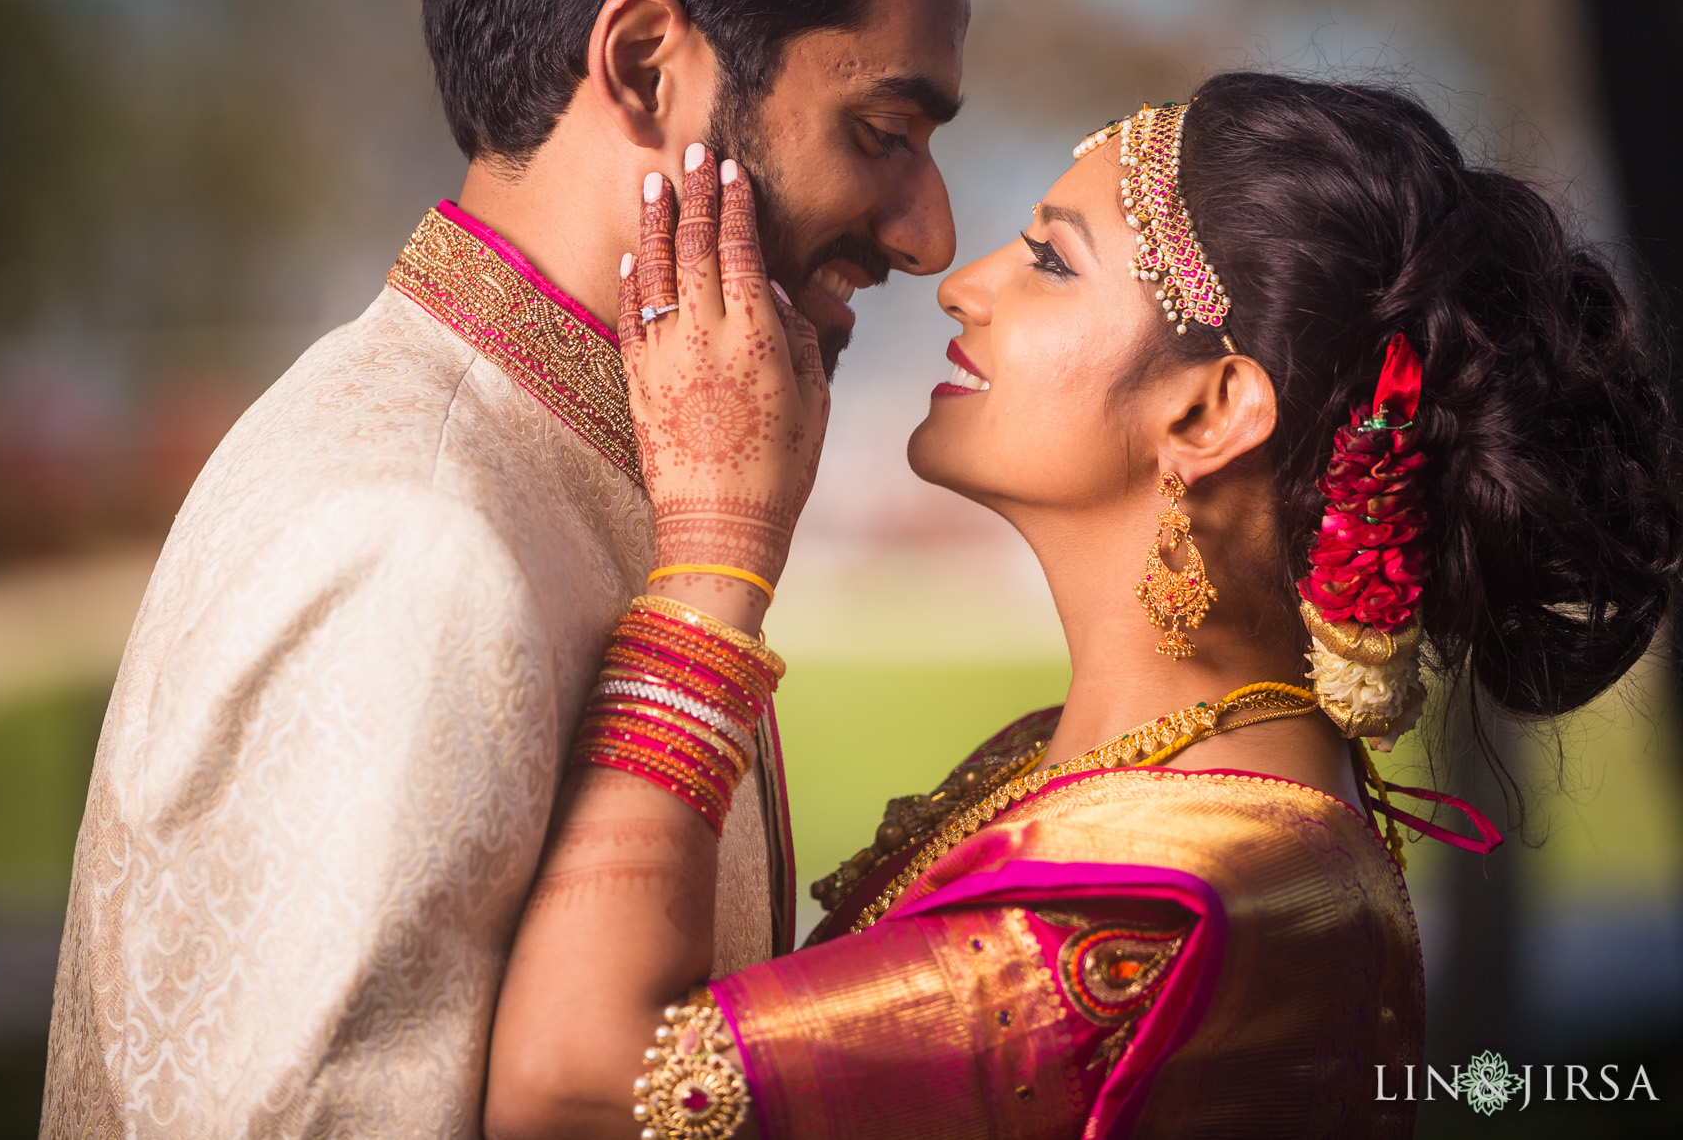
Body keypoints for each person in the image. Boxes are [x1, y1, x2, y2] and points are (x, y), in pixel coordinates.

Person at [39, 0, 1025, 1135]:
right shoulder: (410, 540)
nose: (928, 231)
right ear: (642, 66)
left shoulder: (597, 470)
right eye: (884, 132)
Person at [484, 71, 1683, 1139]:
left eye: (1051, 259)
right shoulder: (1150, 785)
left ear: (1209, 413)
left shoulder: (1167, 909)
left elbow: (574, 1088)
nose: (961, 285)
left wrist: (711, 562)